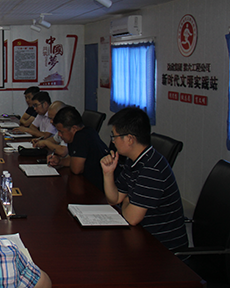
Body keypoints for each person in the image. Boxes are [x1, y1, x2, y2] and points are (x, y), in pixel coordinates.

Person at [100, 107, 188, 251]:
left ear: (130, 139)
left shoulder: (152, 168)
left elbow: (132, 218)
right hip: (143, 237)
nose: (113, 141)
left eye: (114, 136)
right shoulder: (133, 160)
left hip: (163, 250)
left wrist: (126, 200)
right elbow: (114, 199)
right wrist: (108, 173)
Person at [48, 106, 109, 192]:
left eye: (61, 131)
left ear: (74, 129)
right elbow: (73, 159)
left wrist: (68, 161)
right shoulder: (86, 131)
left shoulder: (80, 137)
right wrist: (60, 161)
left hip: (99, 188)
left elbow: (76, 169)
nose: (59, 135)